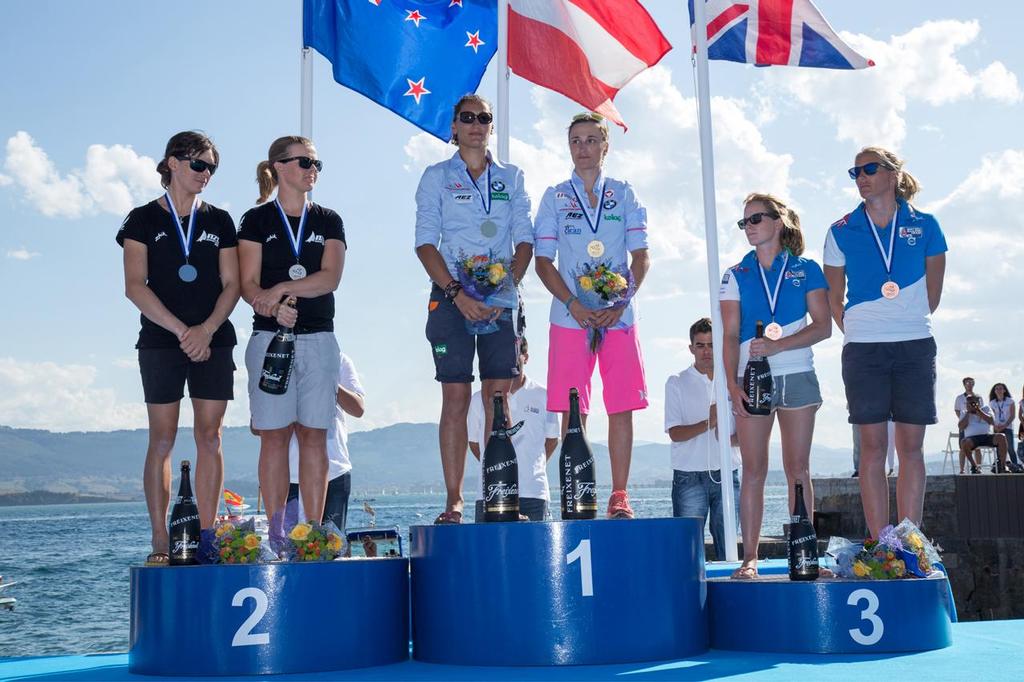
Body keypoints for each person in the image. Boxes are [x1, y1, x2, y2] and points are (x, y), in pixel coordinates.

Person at [117, 131, 240, 565]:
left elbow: (233, 284)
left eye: (212, 168)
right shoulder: (140, 220)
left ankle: (207, 535)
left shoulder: (221, 221)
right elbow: (135, 287)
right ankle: (160, 540)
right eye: (199, 165)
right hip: (160, 341)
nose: (206, 174)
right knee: (163, 439)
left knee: (211, 436)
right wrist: (180, 331)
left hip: (214, 339)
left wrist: (205, 330)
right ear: (172, 163)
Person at [415, 94, 534, 525]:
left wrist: (504, 290)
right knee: (455, 397)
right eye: (467, 117)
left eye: (484, 118)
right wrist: (458, 294)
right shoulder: (435, 177)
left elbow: (524, 240)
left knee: (499, 400)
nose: (476, 124)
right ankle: (454, 502)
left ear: (490, 127)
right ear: (453, 125)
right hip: (450, 298)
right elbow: (426, 243)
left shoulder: (513, 176)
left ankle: (496, 497)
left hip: (500, 299)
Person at [824, 146, 947, 538]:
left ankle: (910, 539)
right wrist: (862, 328)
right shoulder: (841, 230)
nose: (861, 177)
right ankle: (881, 543)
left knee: (911, 448)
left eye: (869, 169)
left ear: (892, 174)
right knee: (873, 450)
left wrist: (903, 319)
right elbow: (832, 295)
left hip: (914, 342)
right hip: (863, 347)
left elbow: (934, 294)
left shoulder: (926, 225)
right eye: (855, 171)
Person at [534, 112, 651, 519]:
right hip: (570, 317)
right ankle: (577, 490)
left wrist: (620, 302)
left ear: (605, 145)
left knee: (621, 405)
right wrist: (574, 304)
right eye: (575, 141)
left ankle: (619, 495)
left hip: (619, 317)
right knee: (573, 410)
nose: (582, 148)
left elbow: (641, 257)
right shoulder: (554, 196)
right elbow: (543, 262)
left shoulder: (624, 193)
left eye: (590, 140)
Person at [239, 136, 345, 545]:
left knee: (314, 434)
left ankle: (312, 534)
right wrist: (270, 306)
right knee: (274, 435)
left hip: (319, 338)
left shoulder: (329, 219)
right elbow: (248, 285)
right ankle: (278, 534)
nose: (312, 169)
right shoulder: (255, 220)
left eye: (317, 163)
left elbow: (330, 278)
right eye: (304, 162)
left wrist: (284, 290)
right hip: (269, 338)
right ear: (279, 166)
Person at [721, 193, 831, 579]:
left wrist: (778, 345)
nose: (749, 227)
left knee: (798, 469)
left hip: (798, 373)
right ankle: (749, 558)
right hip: (752, 378)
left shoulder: (807, 269)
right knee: (753, 469)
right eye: (744, 222)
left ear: (778, 222)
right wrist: (731, 386)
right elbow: (730, 332)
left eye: (756, 219)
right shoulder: (735, 274)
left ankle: (805, 554)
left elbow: (823, 326)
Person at [664, 317, 740, 561]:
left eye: (711, 344)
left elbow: (746, 433)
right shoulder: (676, 382)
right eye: (700, 345)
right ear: (691, 348)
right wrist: (709, 422)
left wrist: (733, 438)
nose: (706, 351)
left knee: (728, 550)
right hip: (689, 477)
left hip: (728, 473)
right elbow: (675, 433)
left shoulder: (733, 382)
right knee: (688, 550)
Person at [467, 337, 559, 521]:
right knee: (491, 550)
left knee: (534, 550)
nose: (511, 359)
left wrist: (531, 466)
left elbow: (552, 440)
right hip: (490, 493)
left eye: (516, 353)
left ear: (526, 357)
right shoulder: (479, 399)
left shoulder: (544, 395)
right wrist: (499, 468)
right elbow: (474, 444)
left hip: (533, 493)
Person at [282, 352, 366, 530]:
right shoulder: (280, 356)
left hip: (334, 471)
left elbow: (358, 409)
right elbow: (257, 426)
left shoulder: (339, 359)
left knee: (332, 550)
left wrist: (328, 379)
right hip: (288, 475)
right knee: (292, 551)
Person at [958, 395, 1009, 473]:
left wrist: (978, 411)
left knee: (1002, 437)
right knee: (964, 442)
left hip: (986, 436)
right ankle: (974, 466)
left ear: (978, 402)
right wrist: (968, 413)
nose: (971, 405)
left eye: (973, 403)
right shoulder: (964, 412)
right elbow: (961, 427)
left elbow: (991, 421)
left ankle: (1003, 466)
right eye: (968, 403)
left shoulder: (986, 409)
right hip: (972, 438)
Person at [989, 383, 1022, 473]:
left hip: (1008, 427)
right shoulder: (992, 403)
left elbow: (1012, 415)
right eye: (996, 389)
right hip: (997, 427)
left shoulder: (1010, 401)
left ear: (1004, 390)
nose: (999, 390)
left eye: (1000, 388)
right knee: (999, 449)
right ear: (994, 391)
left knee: (1010, 448)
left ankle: (1015, 466)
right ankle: (1000, 466)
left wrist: (1004, 425)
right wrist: (995, 426)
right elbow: (990, 416)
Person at [954, 377, 979, 445]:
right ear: (964, 385)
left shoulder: (978, 397)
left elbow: (981, 410)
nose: (970, 384)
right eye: (968, 383)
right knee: (962, 446)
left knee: (977, 447)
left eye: (972, 383)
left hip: (975, 424)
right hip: (964, 425)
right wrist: (962, 419)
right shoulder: (959, 398)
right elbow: (957, 410)